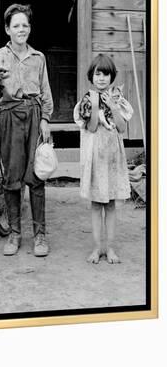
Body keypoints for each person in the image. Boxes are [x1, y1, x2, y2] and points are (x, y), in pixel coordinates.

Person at [0, 3, 53, 257]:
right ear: (7, 29)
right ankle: (15, 233)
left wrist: (46, 119)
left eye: (25, 25)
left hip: (35, 115)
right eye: (16, 25)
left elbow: (45, 91)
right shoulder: (0, 56)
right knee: (12, 177)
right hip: (10, 116)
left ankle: (40, 236)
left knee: (36, 175)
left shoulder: (38, 57)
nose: (21, 29)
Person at [73, 54, 133, 264]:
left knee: (110, 205)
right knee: (97, 204)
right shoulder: (87, 100)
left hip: (113, 157)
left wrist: (113, 106)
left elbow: (122, 127)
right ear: (91, 76)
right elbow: (90, 127)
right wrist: (97, 106)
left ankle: (111, 248)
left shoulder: (118, 99)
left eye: (106, 74)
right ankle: (97, 248)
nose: (101, 79)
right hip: (95, 157)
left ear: (111, 77)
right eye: (98, 74)